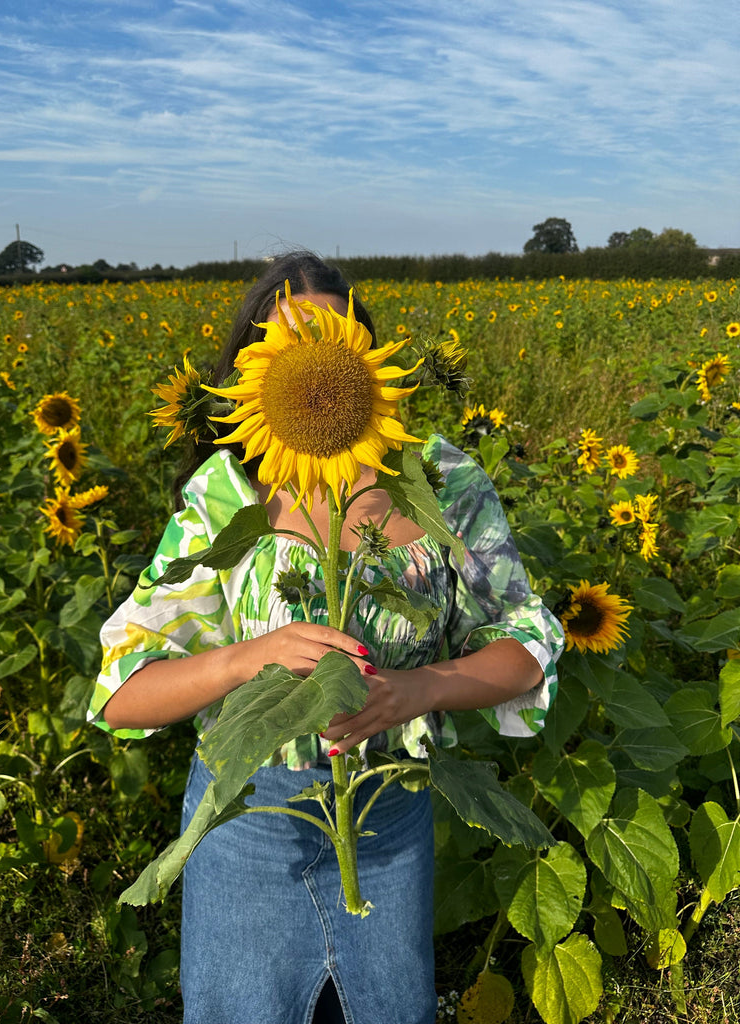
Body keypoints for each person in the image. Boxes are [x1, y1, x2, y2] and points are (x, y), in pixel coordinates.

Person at [88, 251, 564, 1024]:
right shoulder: (229, 493)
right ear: (254, 371)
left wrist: (420, 688)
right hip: (248, 823)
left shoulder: (439, 480)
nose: (314, 378)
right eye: (285, 351)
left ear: (367, 358)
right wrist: (251, 657)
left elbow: (527, 641)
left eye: (334, 345)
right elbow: (123, 691)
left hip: (391, 818)